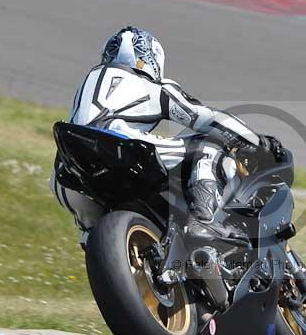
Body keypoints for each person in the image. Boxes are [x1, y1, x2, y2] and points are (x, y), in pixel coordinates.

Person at [50, 26, 277, 246]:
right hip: (120, 145)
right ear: (151, 57)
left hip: (66, 172)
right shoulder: (152, 86)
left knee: (93, 237)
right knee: (208, 147)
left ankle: (108, 246)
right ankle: (203, 220)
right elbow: (207, 118)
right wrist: (257, 142)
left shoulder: (90, 83)